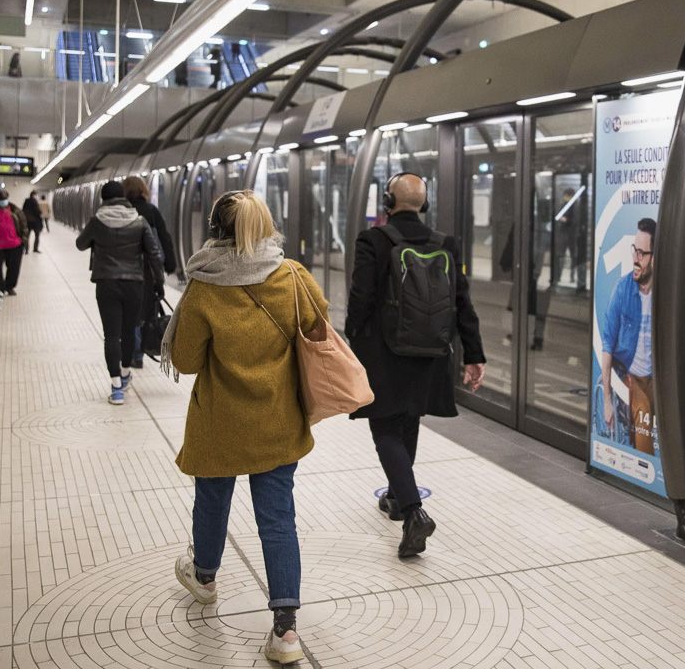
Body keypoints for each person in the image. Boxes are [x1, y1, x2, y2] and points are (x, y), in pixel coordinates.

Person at [163, 190, 326, 665]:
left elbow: (186, 360)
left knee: (212, 500)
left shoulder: (204, 284)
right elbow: (318, 326)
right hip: (278, 421)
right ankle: (285, 632)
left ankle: (206, 577)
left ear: (214, 229)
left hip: (221, 423)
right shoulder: (291, 275)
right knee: (277, 520)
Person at [346, 173, 486, 559]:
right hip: (431, 355)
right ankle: (396, 495)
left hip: (385, 353)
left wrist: (351, 346)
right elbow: (462, 303)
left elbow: (361, 298)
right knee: (408, 420)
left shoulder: (373, 240)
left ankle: (412, 513)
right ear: (423, 204)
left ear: (388, 201)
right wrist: (474, 355)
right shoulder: (445, 244)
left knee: (385, 428)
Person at [76, 181, 164, 404]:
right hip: (134, 284)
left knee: (111, 335)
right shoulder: (139, 221)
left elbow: (80, 244)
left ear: (103, 199)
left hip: (106, 284)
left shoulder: (97, 221)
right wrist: (159, 282)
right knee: (128, 331)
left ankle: (116, 387)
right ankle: (125, 374)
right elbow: (153, 254)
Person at [598, 217, 656, 455]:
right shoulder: (623, 289)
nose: (635, 258)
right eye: (635, 250)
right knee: (643, 422)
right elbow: (607, 343)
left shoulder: (665, 293)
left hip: (655, 377)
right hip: (629, 374)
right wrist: (607, 400)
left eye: (642, 253)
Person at [123, 176, 177, 368]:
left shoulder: (122, 212)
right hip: (147, 270)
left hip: (126, 269)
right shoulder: (151, 211)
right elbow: (164, 237)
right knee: (144, 311)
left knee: (128, 313)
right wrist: (170, 264)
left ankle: (133, 352)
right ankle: (139, 353)